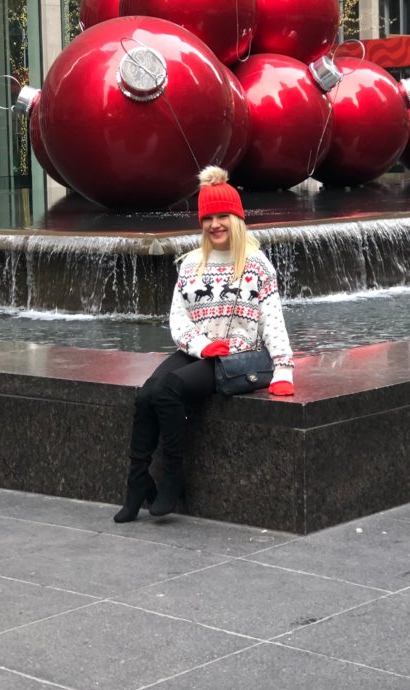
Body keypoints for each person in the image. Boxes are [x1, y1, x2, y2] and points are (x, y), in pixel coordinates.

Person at [113, 166, 295, 523]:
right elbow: (177, 318)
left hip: (238, 356)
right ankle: (137, 483)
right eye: (208, 218)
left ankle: (174, 476)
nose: (215, 224)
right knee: (148, 392)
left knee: (170, 389)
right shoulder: (192, 263)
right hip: (200, 351)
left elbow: (273, 319)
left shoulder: (257, 264)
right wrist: (199, 345)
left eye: (222, 216)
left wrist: (284, 368)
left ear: (237, 218)